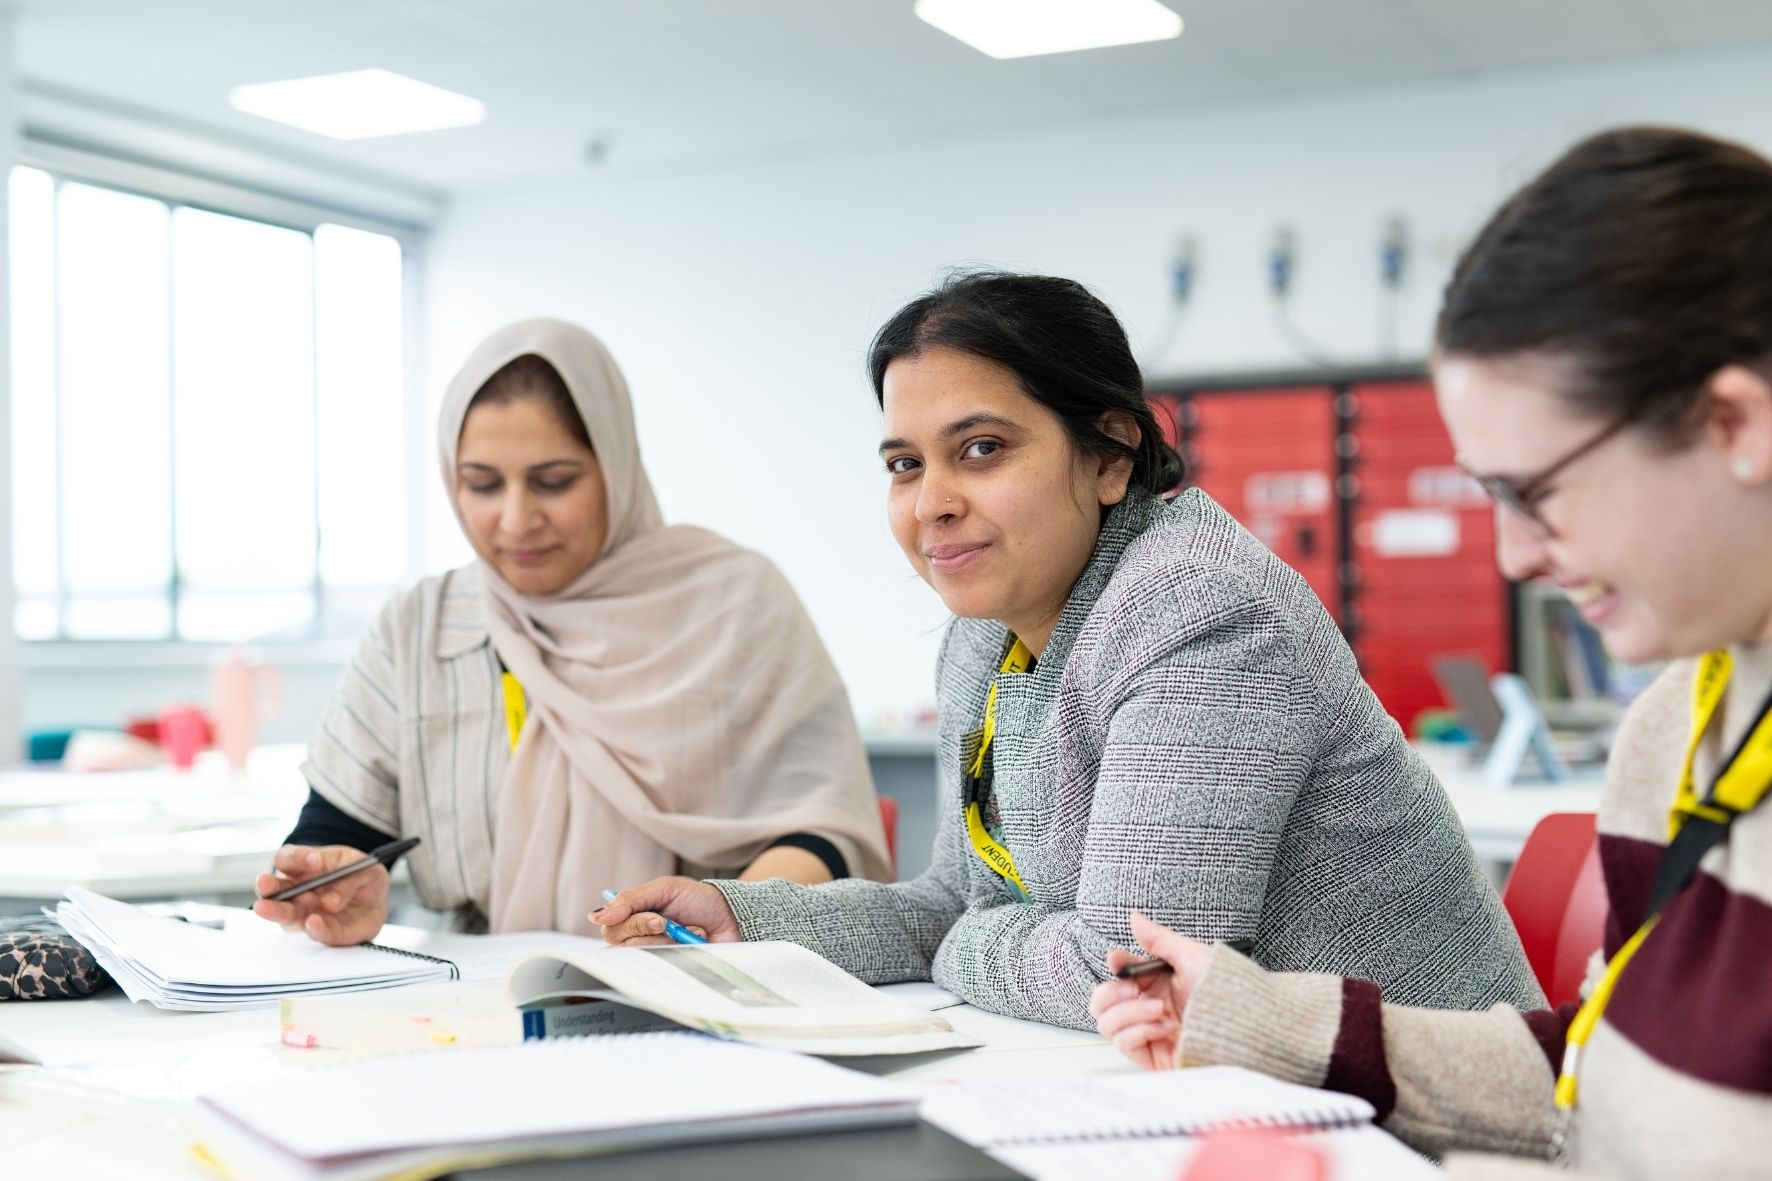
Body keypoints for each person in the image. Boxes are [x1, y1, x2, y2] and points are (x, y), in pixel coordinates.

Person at [1091, 126, 1772, 1179]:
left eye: (1534, 490)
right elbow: (1596, 1072)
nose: (1510, 555)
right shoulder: (1679, 727)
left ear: (1732, 420)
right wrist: (1252, 1016)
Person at [596, 272, 1540, 1030]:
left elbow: (1135, 970)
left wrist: (973, 940)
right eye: (904, 463)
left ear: (1111, 456)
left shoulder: (1201, 610)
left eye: (981, 449)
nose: (931, 503)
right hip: (1211, 1100)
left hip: (1413, 1118)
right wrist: (748, 918)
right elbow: (945, 905)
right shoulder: (984, 637)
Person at [254, 319, 890, 944]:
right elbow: (338, 833)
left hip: (705, 985)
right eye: (481, 484)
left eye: (554, 482)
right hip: (483, 1001)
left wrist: (728, 921)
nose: (515, 520)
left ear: (616, 467)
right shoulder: (419, 628)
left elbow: (825, 834)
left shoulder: (735, 603)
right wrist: (332, 889)